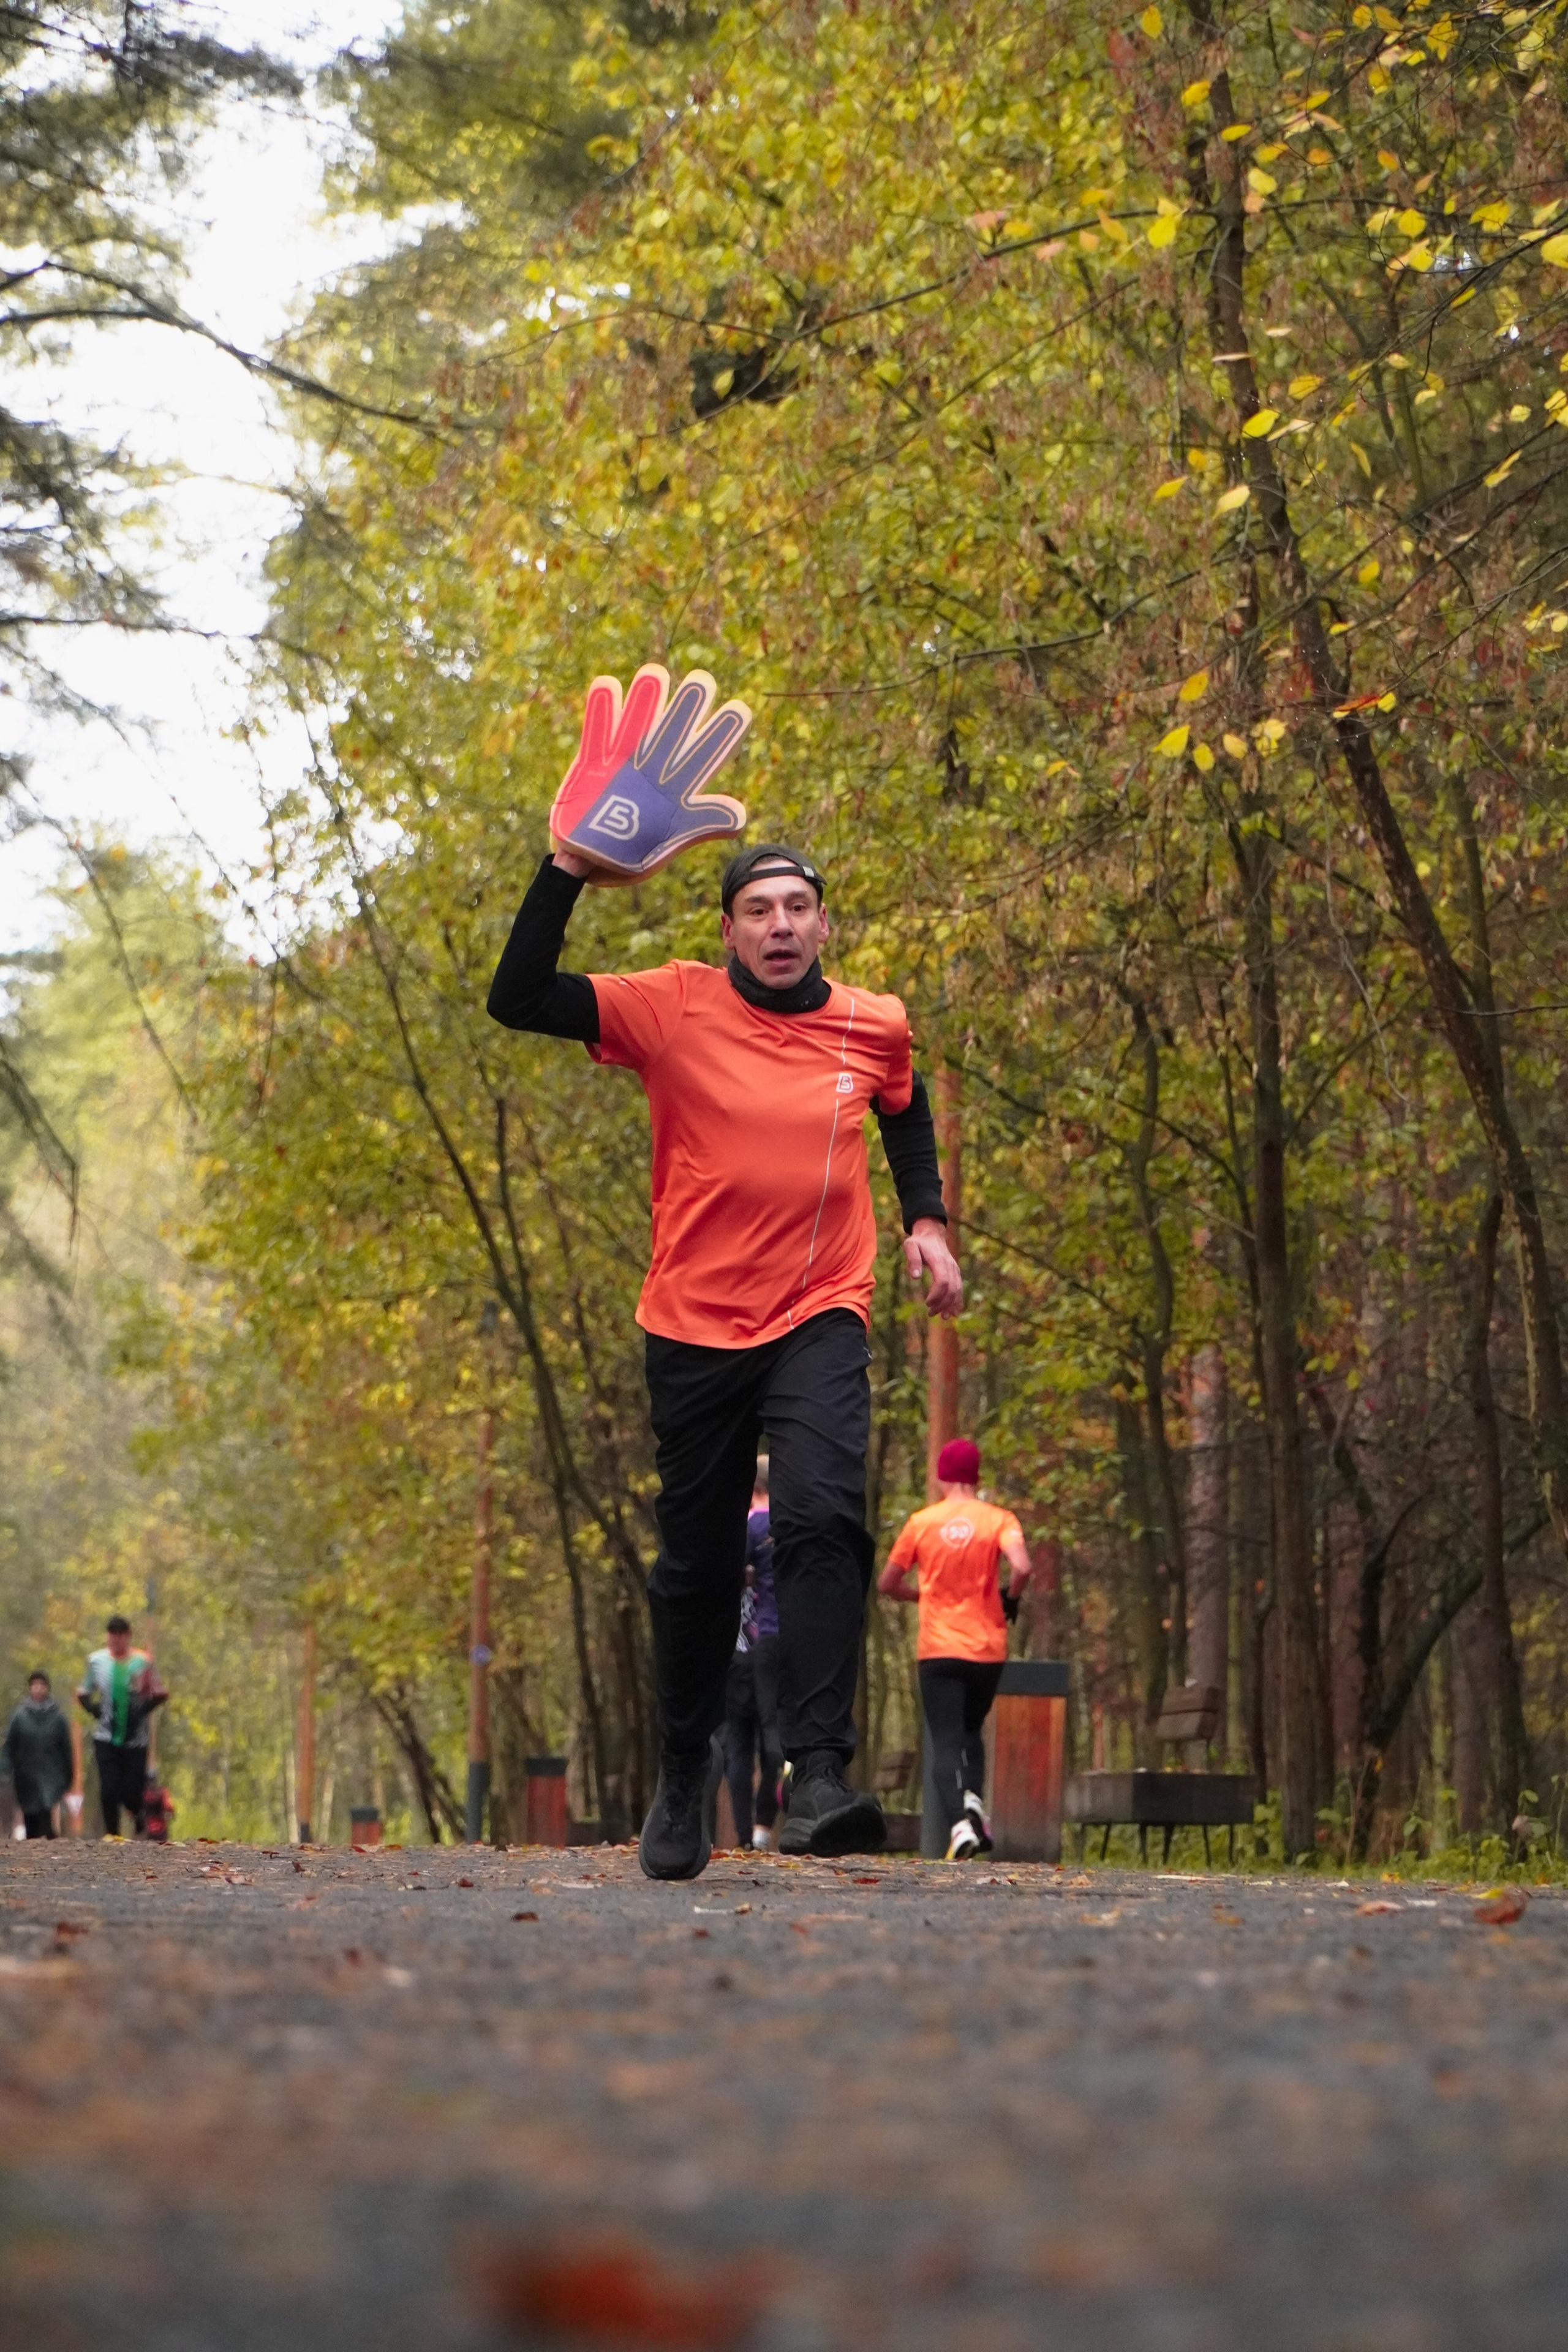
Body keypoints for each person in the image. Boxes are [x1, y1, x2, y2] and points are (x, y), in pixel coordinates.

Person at [488, 665, 962, 1879]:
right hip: (692, 1321)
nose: (780, 923)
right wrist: (567, 869)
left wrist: (927, 1220)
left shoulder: (873, 1022)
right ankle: (681, 1767)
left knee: (819, 1519)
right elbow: (517, 996)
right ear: (726, 928)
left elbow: (900, 1112)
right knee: (695, 1563)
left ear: (822, 921)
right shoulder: (671, 1008)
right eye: (757, 907)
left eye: (797, 904)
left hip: (821, 1307)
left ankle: (819, 1773)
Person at [878, 1439, 1032, 1860]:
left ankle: (961, 1827)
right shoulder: (999, 1519)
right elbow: (1022, 1566)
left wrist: (919, 1596)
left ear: (942, 1476)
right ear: (976, 1476)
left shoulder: (921, 1523)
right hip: (986, 1649)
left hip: (939, 1649)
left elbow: (887, 1582)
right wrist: (1011, 1598)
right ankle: (974, 1801)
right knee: (970, 1731)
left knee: (945, 1741)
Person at [723, 1460, 785, 1850]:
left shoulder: (741, 1528)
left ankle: (744, 1835)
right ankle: (764, 1827)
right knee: (773, 1737)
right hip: (774, 1645)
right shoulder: (786, 1527)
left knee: (739, 1745)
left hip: (737, 1650)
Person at [78, 1616, 167, 1837]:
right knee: (109, 1790)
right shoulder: (96, 1661)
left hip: (136, 1739)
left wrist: (143, 1709)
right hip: (106, 1737)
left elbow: (160, 1693)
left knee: (132, 1792)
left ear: (128, 1636)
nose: (116, 1640)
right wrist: (94, 1709)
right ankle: (112, 1834)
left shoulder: (143, 1662)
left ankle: (138, 1814)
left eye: (120, 1635)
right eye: (112, 1635)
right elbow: (83, 1692)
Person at [1, 1672, 74, 1839]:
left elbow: (66, 1750)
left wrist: (67, 1777)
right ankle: (35, 1844)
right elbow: (10, 1745)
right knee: (30, 1813)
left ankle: (48, 1840)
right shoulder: (19, 1718)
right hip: (26, 1774)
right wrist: (5, 1768)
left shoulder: (58, 1719)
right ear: (30, 1689)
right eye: (35, 1686)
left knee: (46, 1809)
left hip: (51, 1774)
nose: (38, 1689)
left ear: (48, 1689)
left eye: (42, 1686)